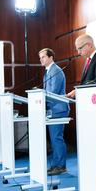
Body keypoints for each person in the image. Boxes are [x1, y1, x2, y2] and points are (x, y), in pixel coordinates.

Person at [66, 35, 96, 176]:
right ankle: (95, 171)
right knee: (93, 142)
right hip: (90, 107)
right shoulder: (89, 60)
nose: (79, 52)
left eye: (80, 48)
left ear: (89, 45)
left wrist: (77, 90)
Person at [38, 48, 69, 176]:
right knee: (54, 138)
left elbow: (53, 92)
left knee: (56, 138)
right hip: (52, 109)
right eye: (40, 58)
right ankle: (56, 165)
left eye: (43, 57)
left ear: (51, 57)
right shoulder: (48, 71)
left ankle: (61, 166)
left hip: (58, 109)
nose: (41, 60)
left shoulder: (55, 70)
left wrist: (40, 97)